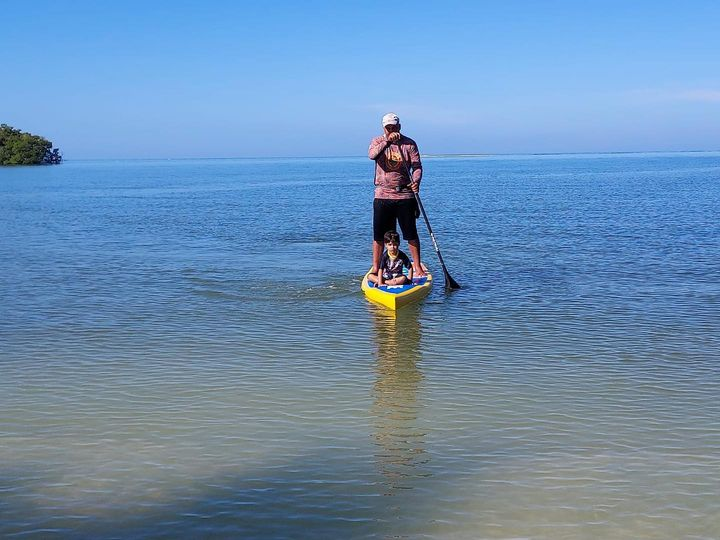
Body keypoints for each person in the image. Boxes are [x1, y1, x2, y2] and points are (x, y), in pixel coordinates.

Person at [368, 112, 425, 277]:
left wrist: (416, 181)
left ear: (399, 127)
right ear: (383, 128)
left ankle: (418, 266)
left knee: (410, 234)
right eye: (388, 127)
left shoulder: (409, 144)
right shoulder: (378, 141)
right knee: (379, 235)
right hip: (382, 196)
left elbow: (417, 166)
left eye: (394, 127)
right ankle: (376, 266)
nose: (391, 130)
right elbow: (372, 155)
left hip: (404, 195)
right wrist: (387, 141)